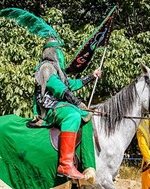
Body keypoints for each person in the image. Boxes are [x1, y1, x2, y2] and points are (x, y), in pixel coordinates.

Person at [33, 37, 101, 181]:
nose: (62, 54)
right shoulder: (46, 67)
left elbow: (71, 84)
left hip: (59, 106)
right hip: (50, 109)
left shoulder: (58, 71)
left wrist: (91, 76)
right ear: (53, 52)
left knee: (86, 115)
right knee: (73, 116)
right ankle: (65, 165)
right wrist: (78, 103)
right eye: (60, 51)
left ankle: (87, 165)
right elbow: (60, 89)